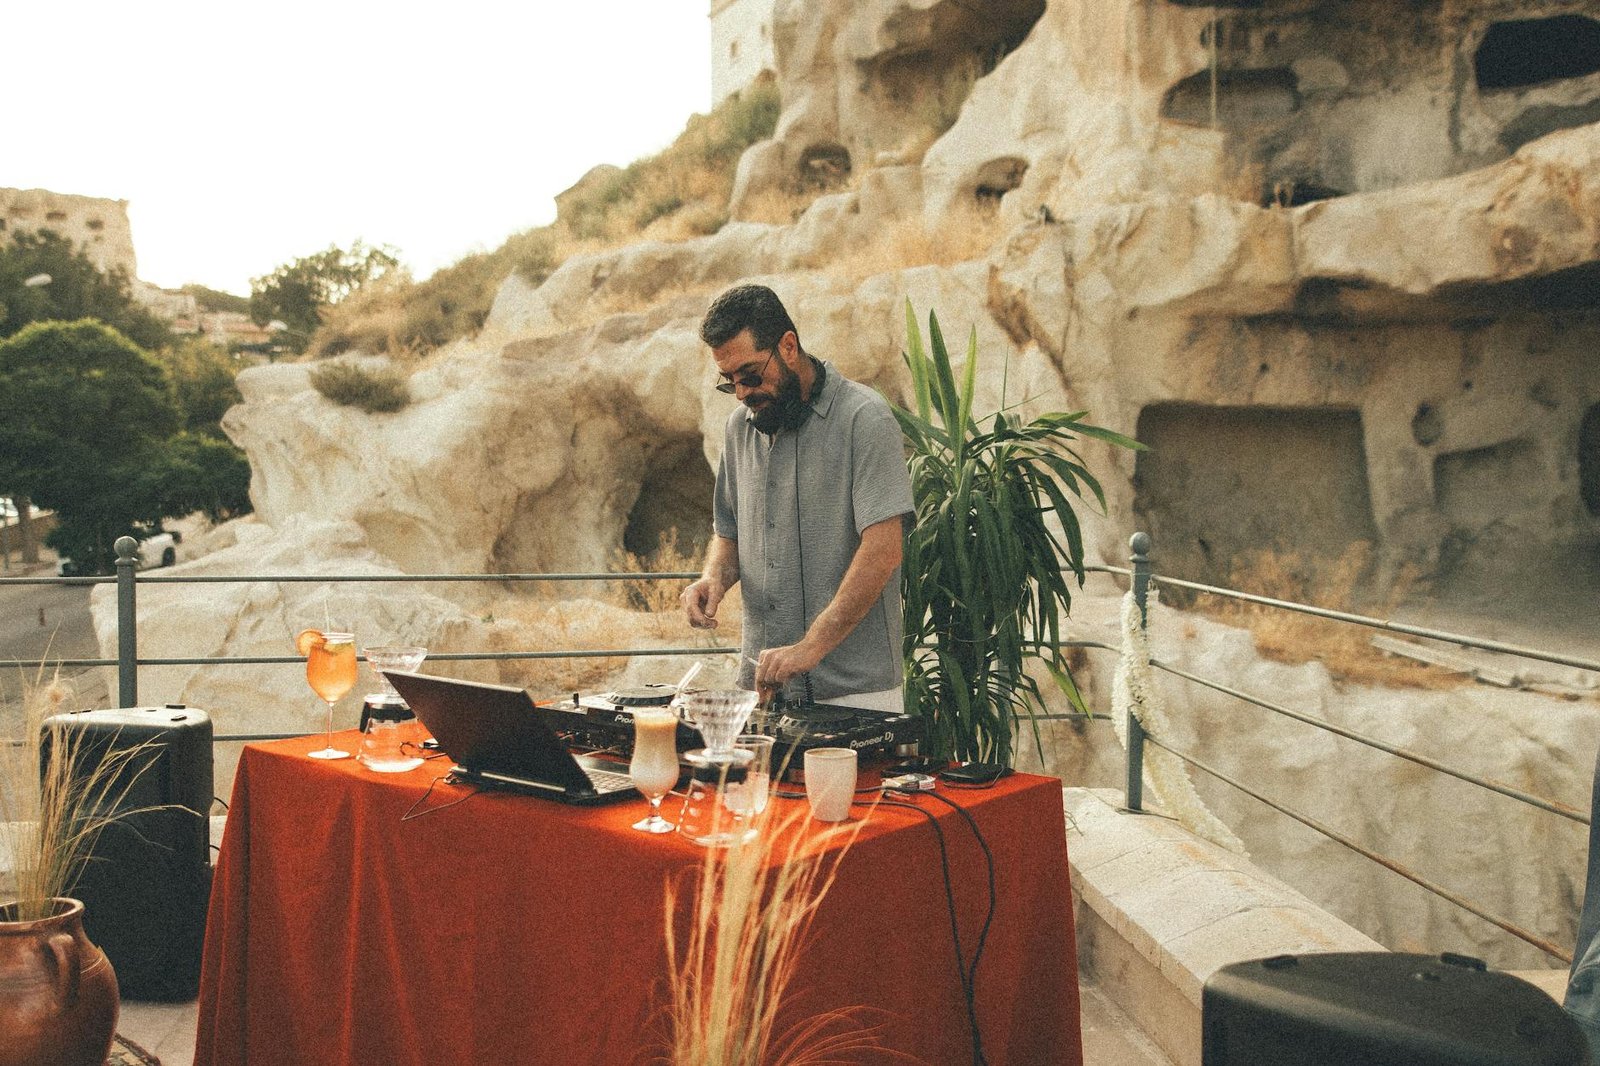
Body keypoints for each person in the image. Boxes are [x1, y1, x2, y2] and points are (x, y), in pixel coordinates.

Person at [681, 284, 914, 714]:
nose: (742, 394)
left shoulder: (865, 418)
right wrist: (714, 577)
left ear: (788, 346)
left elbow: (883, 550)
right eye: (729, 382)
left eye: (750, 376)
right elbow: (728, 532)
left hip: (857, 697)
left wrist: (811, 647)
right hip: (762, 691)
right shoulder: (738, 429)